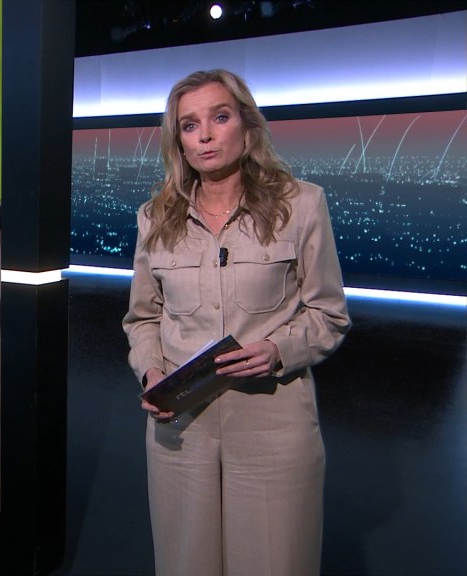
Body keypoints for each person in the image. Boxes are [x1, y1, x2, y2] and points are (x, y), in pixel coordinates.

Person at [121, 69, 350, 576]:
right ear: (178, 141)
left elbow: (328, 314)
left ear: (247, 126)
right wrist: (152, 372)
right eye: (189, 125)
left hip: (273, 425)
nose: (204, 135)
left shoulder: (302, 205)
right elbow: (142, 318)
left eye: (219, 118)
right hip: (181, 427)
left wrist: (279, 350)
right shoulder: (153, 218)